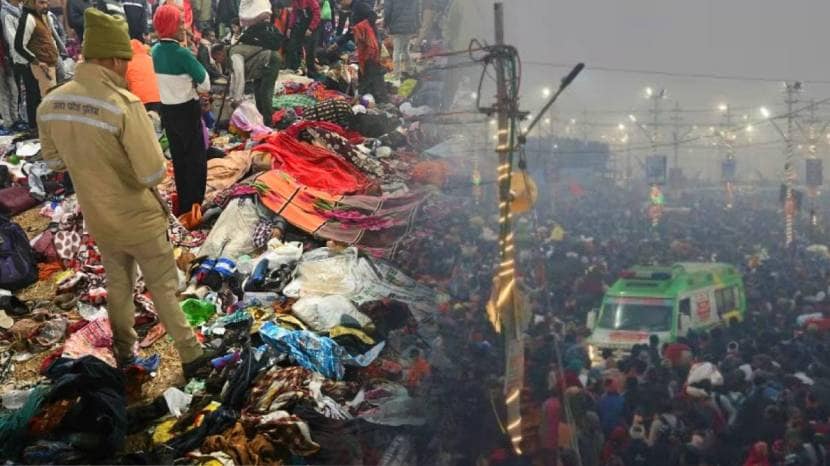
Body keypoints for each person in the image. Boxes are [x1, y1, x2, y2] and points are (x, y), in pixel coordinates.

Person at [37, 8, 209, 377]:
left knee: (119, 285)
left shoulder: (51, 103)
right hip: (138, 217)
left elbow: (53, 163)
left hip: (99, 216)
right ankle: (192, 355)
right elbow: (152, 172)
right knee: (163, 287)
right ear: (114, 57)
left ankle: (125, 355)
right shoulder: (123, 106)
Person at [151, 4, 209, 216]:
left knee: (179, 159)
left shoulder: (154, 51)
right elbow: (206, 83)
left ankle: (185, 204)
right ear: (170, 26)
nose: (183, 26)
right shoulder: (181, 53)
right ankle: (196, 204)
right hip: (187, 110)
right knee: (195, 159)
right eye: (179, 22)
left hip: (168, 111)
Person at [14, 0, 59, 130]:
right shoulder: (28, 18)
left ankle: (47, 129)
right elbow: (19, 45)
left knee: (49, 99)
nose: (45, 5)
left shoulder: (43, 16)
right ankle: (40, 130)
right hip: (39, 66)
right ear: (31, 3)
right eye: (41, 3)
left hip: (49, 64)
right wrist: (37, 62)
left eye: (46, 2)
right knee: (42, 100)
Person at [383, 0, 418, 79]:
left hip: (396, 24)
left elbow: (387, 11)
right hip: (410, 24)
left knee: (397, 50)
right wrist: (416, 25)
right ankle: (409, 70)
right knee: (405, 49)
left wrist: (385, 24)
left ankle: (396, 73)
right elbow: (416, 9)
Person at [125, 37, 160, 112]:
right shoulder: (151, 59)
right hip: (158, 98)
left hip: (139, 101)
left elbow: (125, 85)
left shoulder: (127, 64)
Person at [285, 0, 319, 75]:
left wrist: (311, 28)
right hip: (302, 24)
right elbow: (294, 14)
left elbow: (317, 14)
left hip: (313, 26)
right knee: (295, 45)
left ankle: (311, 71)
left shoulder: (311, 1)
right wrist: (290, 28)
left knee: (310, 50)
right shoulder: (295, 2)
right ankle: (296, 67)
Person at [538, 388, 561, 466]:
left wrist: (541, 432)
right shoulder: (559, 404)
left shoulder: (546, 404)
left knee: (548, 456)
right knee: (555, 456)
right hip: (557, 434)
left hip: (547, 434)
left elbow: (542, 419)